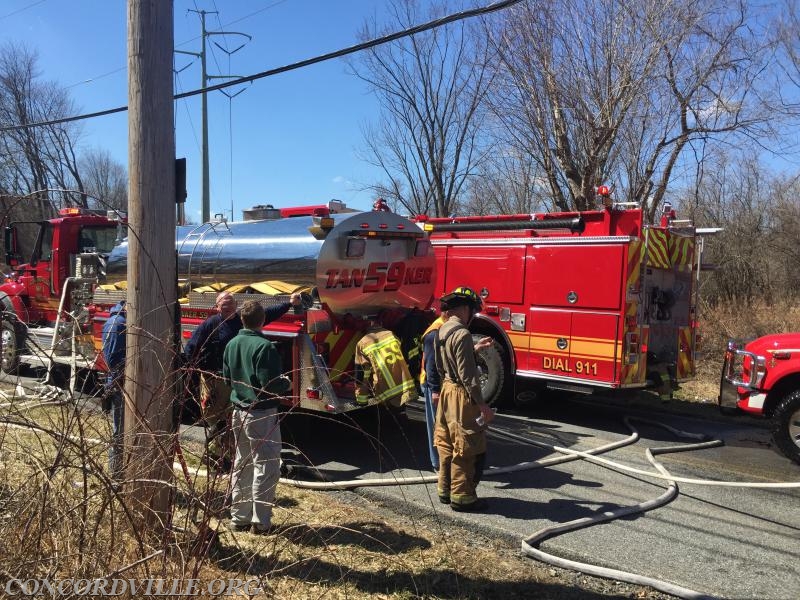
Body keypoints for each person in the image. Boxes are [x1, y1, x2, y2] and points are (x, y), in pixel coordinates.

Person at [184, 290, 301, 471]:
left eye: (231, 303)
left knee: (230, 421)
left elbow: (266, 314)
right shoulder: (211, 325)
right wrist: (201, 371)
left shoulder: (242, 320)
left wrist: (289, 304)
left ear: (236, 305)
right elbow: (191, 348)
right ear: (217, 307)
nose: (228, 306)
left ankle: (222, 458)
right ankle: (214, 457)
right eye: (224, 304)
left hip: (233, 381)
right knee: (218, 421)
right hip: (216, 381)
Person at [222, 300, 290, 534]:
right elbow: (270, 385)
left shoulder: (232, 344)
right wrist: (286, 383)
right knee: (267, 467)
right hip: (261, 414)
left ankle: (239, 518)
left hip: (238, 412)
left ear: (241, 319)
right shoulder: (265, 347)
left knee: (242, 464)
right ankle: (260, 523)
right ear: (262, 320)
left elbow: (227, 378)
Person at [433, 286, 495, 512]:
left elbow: (443, 365)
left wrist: (474, 349)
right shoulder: (462, 333)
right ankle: (463, 497)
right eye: (472, 311)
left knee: (446, 442)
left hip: (447, 389)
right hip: (461, 394)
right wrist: (482, 405)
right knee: (465, 445)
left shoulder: (442, 330)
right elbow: (468, 376)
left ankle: (445, 489)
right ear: (465, 309)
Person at [101, 300, 127, 483]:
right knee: (119, 432)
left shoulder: (120, 321)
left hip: (124, 383)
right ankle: (116, 477)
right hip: (121, 384)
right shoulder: (117, 324)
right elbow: (112, 359)